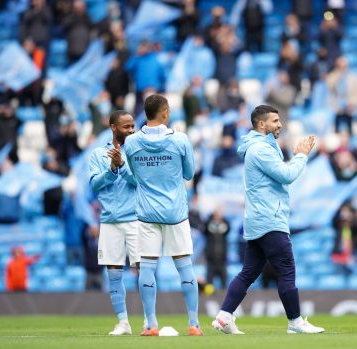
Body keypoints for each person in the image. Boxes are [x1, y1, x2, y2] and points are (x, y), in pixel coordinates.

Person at [212, 105, 324, 335]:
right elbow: (287, 175)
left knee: (249, 272)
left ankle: (224, 316)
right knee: (286, 270)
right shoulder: (260, 150)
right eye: (274, 121)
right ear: (261, 124)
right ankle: (295, 323)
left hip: (259, 219)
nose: (279, 124)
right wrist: (301, 155)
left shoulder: (262, 147)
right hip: (270, 219)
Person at [124, 94, 202, 336]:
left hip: (147, 213)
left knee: (146, 268)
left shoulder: (132, 143)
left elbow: (132, 176)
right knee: (185, 267)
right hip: (175, 213)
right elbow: (189, 174)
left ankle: (151, 324)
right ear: (166, 112)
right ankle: (193, 324)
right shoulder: (180, 140)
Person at [89, 110, 138, 335]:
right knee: (114, 272)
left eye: (132, 126)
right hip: (109, 220)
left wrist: (122, 166)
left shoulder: (138, 151)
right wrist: (111, 169)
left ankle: (150, 321)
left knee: (144, 268)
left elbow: (139, 181)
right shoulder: (98, 154)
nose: (131, 130)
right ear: (112, 127)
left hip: (136, 218)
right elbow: (94, 185)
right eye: (126, 126)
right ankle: (123, 322)